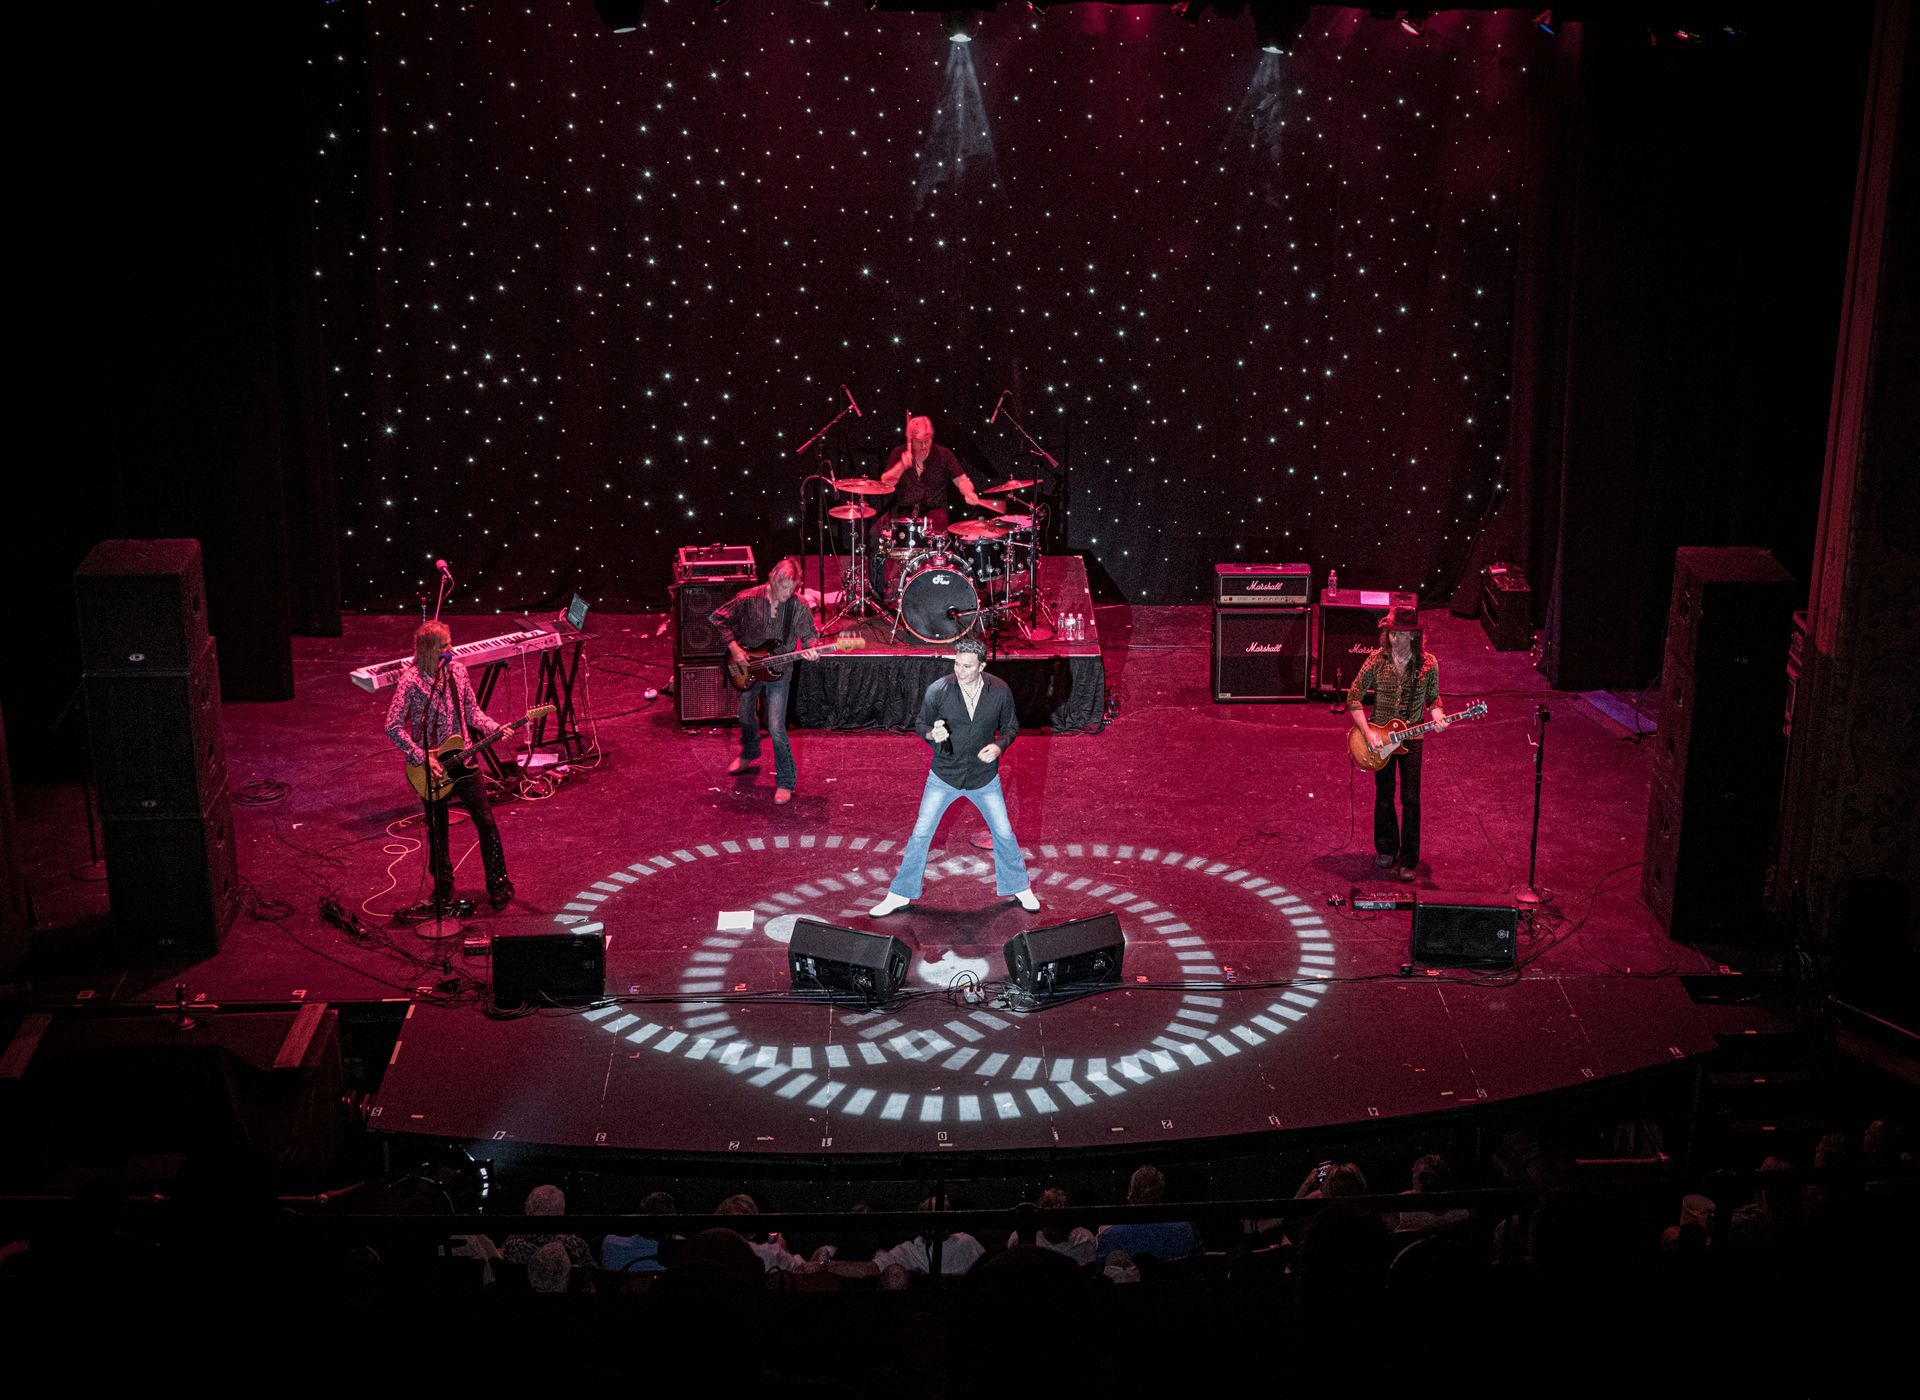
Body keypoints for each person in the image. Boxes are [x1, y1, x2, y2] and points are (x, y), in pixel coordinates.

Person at [869, 638, 1039, 916]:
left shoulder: (999, 691)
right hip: (944, 776)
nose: (960, 671)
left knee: (1004, 833)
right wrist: (930, 735)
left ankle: (1020, 887)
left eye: (967, 666)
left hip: (984, 778)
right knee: (921, 834)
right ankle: (899, 894)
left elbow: (1010, 726)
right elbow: (921, 723)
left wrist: (999, 746)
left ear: (982, 666)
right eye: (957, 664)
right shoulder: (939, 689)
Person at [383, 619, 513, 914]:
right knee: (437, 828)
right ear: (430, 650)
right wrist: (420, 756)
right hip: (431, 766)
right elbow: (392, 726)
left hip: (463, 758)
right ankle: (442, 886)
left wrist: (494, 727)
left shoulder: (458, 671)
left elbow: (471, 711)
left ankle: (499, 883)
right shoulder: (410, 682)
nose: (451, 649)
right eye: (445, 646)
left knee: (486, 821)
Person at [1347, 605, 1447, 883]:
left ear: (1414, 637)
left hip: (1412, 738)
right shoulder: (1376, 661)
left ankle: (1409, 858)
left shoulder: (1428, 664)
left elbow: (1433, 700)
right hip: (1381, 738)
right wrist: (1367, 732)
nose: (1396, 640)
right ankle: (1386, 847)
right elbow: (1353, 697)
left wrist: (1438, 716)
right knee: (1384, 794)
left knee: (1411, 799)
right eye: (1392, 634)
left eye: (1402, 635)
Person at [709, 557, 821, 805]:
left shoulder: (799, 605)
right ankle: (750, 752)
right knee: (745, 715)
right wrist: (735, 648)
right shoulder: (748, 598)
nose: (786, 594)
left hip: (780, 671)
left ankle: (785, 782)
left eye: (791, 589)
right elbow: (717, 617)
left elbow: (810, 636)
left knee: (776, 728)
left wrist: (812, 649)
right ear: (771, 578)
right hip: (747, 666)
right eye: (782, 588)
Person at [877, 414, 1008, 537]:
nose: (924, 446)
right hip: (905, 514)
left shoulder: (943, 454)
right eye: (919, 441)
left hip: (935, 514)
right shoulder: (899, 452)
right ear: (911, 439)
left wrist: (968, 492)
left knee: (938, 520)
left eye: (927, 441)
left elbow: (962, 480)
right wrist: (900, 466)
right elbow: (885, 484)